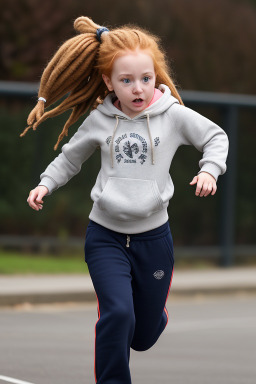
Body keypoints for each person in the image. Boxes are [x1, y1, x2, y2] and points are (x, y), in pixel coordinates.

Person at [23, 16, 229, 384]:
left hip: (154, 240)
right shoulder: (101, 120)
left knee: (143, 335)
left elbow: (215, 136)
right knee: (118, 314)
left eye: (145, 79)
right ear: (109, 82)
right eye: (126, 80)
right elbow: (70, 157)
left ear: (156, 77)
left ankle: (154, 316)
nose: (138, 89)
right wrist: (45, 184)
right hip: (106, 236)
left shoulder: (172, 116)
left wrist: (210, 170)